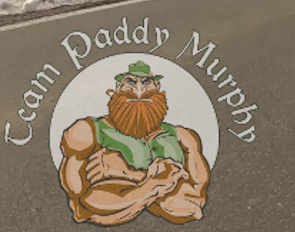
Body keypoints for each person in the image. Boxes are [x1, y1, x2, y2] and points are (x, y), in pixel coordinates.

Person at [57, 61, 210, 226]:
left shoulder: (184, 137)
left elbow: (194, 203)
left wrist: (127, 174)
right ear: (118, 86)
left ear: (157, 86)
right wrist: (163, 183)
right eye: (130, 82)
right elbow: (83, 205)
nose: (138, 91)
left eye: (146, 83)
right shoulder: (87, 132)